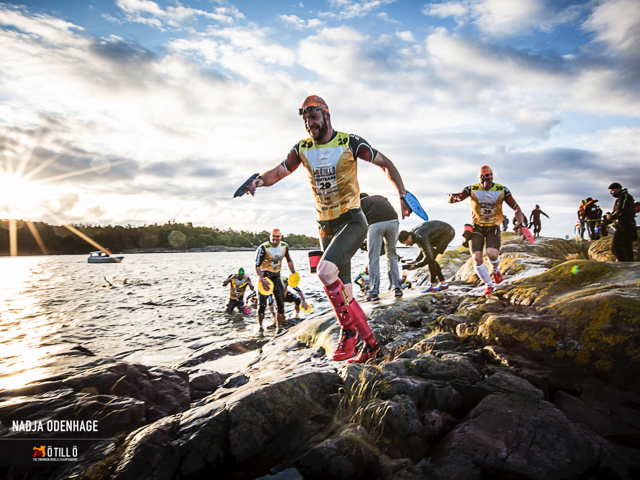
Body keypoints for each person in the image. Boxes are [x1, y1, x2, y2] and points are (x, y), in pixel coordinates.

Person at [243, 95, 410, 363]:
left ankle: (347, 331)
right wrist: (258, 181)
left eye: (314, 118)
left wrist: (402, 194)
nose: (310, 124)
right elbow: (278, 172)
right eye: (305, 121)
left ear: (326, 115)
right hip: (325, 227)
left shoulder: (349, 142)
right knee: (346, 295)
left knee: (324, 271)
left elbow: (386, 164)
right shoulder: (301, 149)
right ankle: (371, 346)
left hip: (353, 221)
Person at [448, 165, 528, 295]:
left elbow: (516, 208)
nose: (485, 184)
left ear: (492, 178)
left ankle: (496, 270)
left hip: (493, 227)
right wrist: (453, 198)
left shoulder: (502, 190)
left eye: (488, 180)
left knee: (492, 254)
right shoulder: (471, 189)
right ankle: (489, 284)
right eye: (482, 180)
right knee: (477, 257)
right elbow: (455, 199)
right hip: (477, 227)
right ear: (479, 179)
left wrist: (522, 225)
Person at [360, 193, 403, 301]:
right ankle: (397, 288)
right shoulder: (381, 197)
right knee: (392, 255)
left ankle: (374, 292)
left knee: (373, 258)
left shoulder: (360, 203)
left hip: (375, 224)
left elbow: (360, 223)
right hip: (393, 222)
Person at [255, 228, 297, 335]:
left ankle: (279, 328)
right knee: (262, 304)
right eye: (273, 239)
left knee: (280, 303)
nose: (274, 242)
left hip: (277, 276)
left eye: (276, 240)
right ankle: (260, 326)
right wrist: (262, 279)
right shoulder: (263, 247)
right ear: (270, 238)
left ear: (280, 238)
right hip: (265, 277)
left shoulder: (284, 246)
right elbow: (257, 266)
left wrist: (293, 273)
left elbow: (289, 260)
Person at [398, 221, 455, 292]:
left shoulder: (419, 236)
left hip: (447, 233)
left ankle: (433, 286)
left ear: (408, 238)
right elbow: (423, 251)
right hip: (439, 234)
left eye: (405, 243)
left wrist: (416, 266)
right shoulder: (415, 235)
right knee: (431, 258)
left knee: (431, 259)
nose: (407, 245)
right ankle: (443, 284)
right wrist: (416, 261)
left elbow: (428, 256)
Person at [605, 183, 637, 262]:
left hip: (624, 225)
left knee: (615, 247)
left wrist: (610, 216)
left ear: (618, 189)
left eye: (612, 191)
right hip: (627, 225)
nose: (611, 193)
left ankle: (623, 265)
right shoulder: (623, 197)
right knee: (626, 248)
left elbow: (620, 211)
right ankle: (630, 266)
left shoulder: (623, 197)